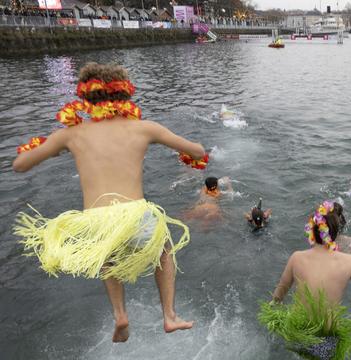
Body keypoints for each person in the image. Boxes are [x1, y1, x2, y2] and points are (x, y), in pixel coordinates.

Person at [12, 63, 206, 343]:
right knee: (164, 251)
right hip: (136, 214)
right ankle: (169, 316)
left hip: (95, 219)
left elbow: (19, 165)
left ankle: (120, 314)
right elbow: (197, 151)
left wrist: (54, 150)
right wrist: (191, 151)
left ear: (85, 98)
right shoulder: (144, 128)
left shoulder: (71, 135)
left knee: (107, 254)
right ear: (126, 94)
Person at [258, 201, 351, 359]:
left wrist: (273, 310)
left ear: (311, 231)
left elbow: (279, 294)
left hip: (298, 331)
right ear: (335, 233)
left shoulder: (297, 257)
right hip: (326, 337)